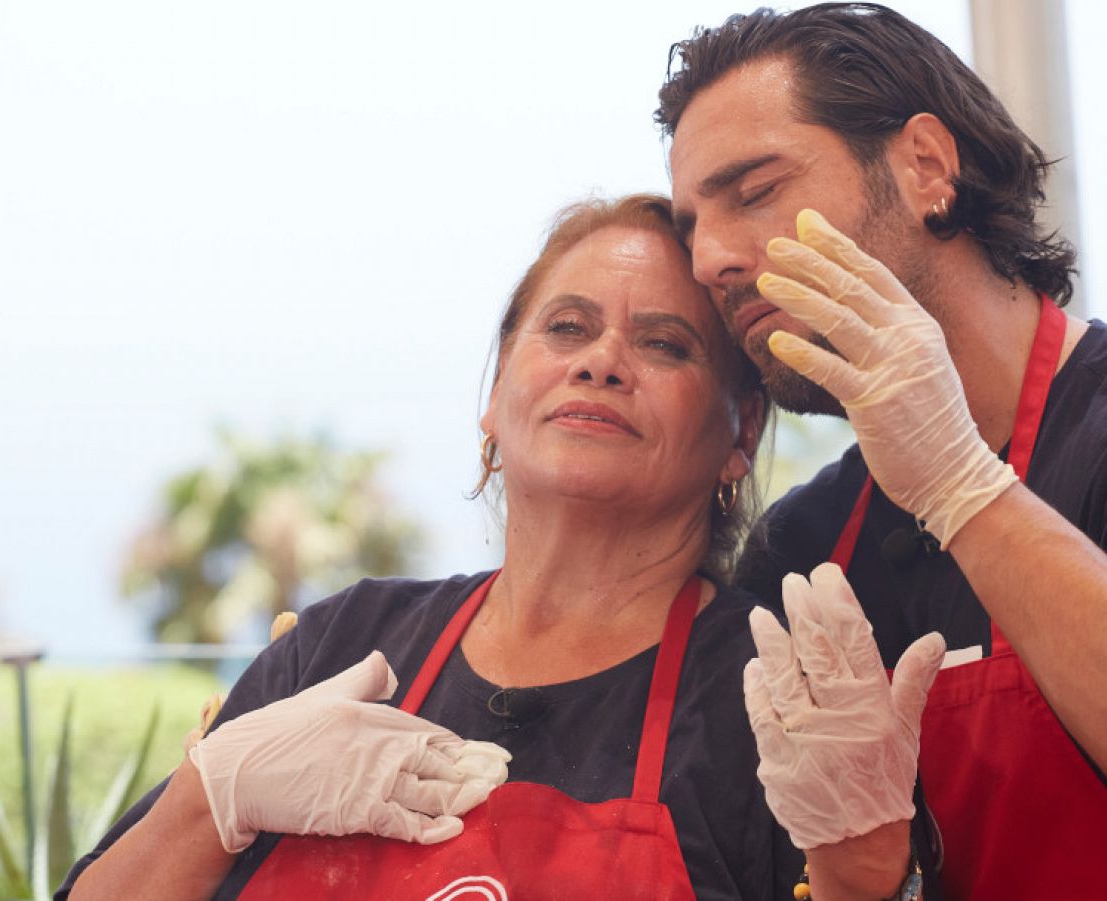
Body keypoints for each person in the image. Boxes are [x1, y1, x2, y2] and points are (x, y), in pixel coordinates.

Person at [656, 4, 1107, 899]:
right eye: (693, 223)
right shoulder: (805, 550)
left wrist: (964, 486)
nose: (712, 259)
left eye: (756, 190)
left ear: (926, 165)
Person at [54, 194, 813, 899]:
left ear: (740, 432)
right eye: (567, 328)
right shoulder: (340, 646)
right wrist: (209, 796)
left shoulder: (774, 700)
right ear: (495, 394)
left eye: (664, 343)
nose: (602, 360)